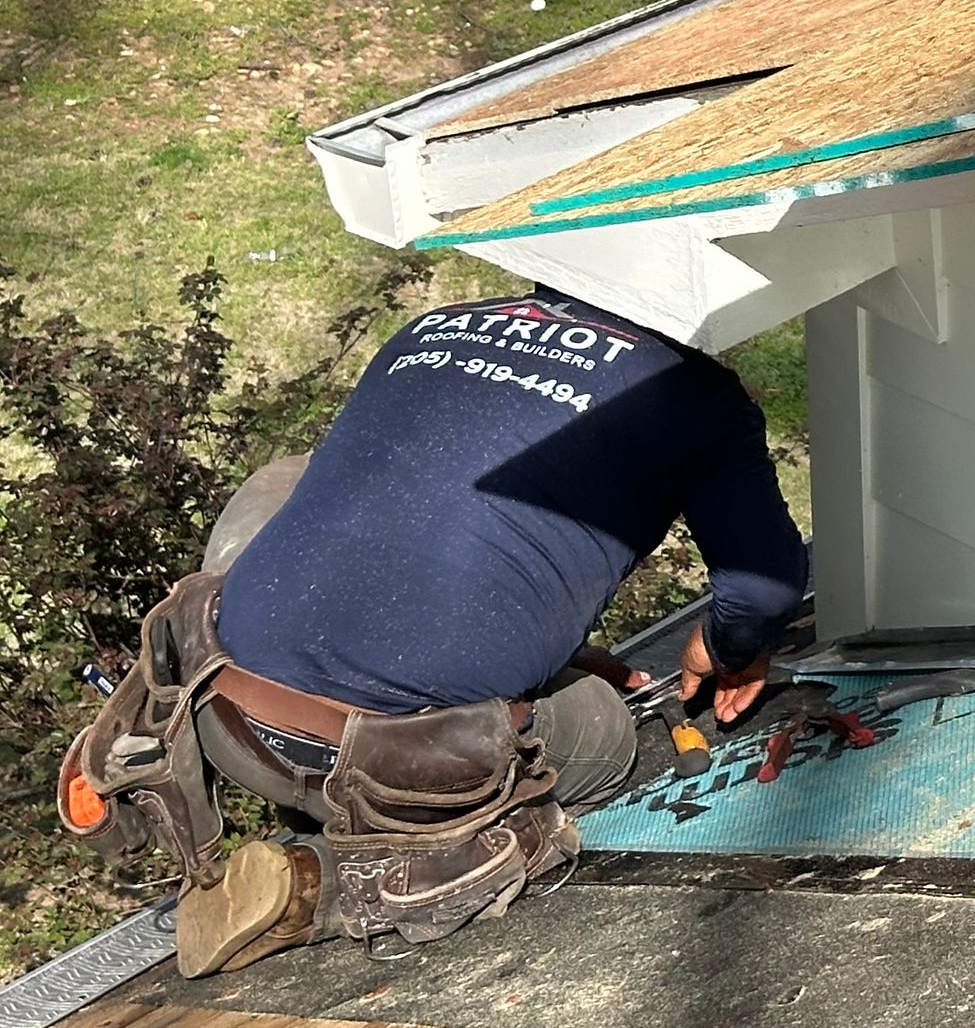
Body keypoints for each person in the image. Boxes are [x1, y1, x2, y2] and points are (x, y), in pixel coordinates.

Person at [57, 288, 805, 976]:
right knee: (609, 732)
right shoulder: (697, 397)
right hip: (404, 774)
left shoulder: (432, 326)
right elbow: (765, 584)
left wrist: (536, 646)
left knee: (294, 479)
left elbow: (409, 530)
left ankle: (151, 754)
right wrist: (728, 646)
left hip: (223, 712)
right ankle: (320, 882)